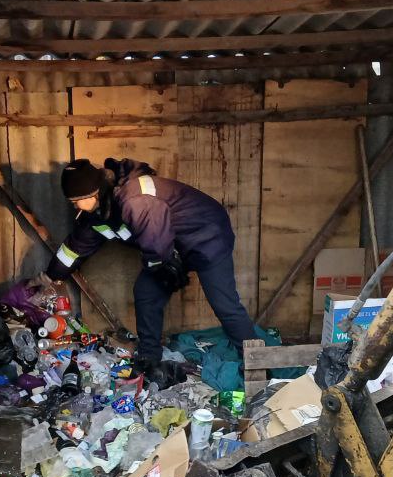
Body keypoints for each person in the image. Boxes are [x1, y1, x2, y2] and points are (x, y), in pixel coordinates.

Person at [47, 157, 257, 372]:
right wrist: (50, 276)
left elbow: (156, 238)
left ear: (93, 193)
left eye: (76, 200)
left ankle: (257, 362)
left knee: (224, 304)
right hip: (170, 247)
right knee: (146, 292)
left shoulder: (134, 199)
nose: (74, 206)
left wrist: (162, 266)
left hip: (206, 235)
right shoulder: (98, 213)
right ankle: (149, 358)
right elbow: (75, 247)